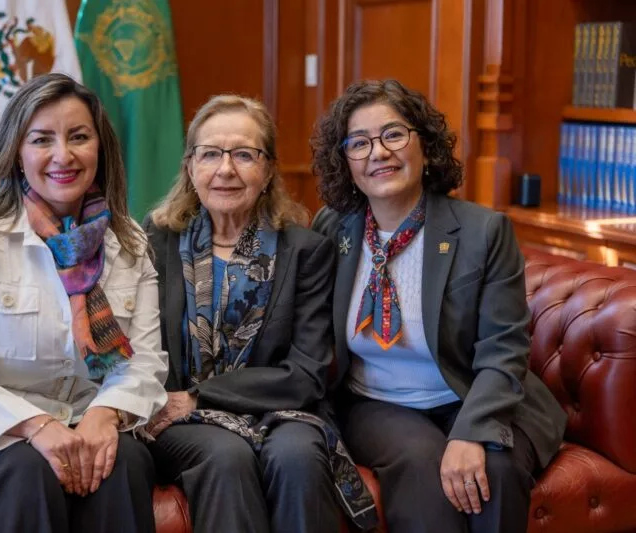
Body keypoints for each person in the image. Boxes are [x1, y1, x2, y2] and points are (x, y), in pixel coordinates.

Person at [0, 73, 167, 533]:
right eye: (42, 139)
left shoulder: (129, 241)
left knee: (124, 461)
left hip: (86, 419)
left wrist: (104, 414)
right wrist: (35, 425)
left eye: (79, 137)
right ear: (17, 151)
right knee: (29, 471)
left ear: (100, 148)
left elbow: (144, 363)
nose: (63, 155)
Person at [310, 79, 567, 533]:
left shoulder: (483, 232)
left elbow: (504, 347)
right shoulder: (332, 229)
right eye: (359, 143)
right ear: (345, 162)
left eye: (393, 135)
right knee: (424, 465)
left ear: (425, 147)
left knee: (495, 471)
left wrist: (472, 431)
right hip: (378, 402)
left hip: (471, 391)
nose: (378, 152)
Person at [143, 95, 376, 533]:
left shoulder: (306, 252)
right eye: (210, 154)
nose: (225, 169)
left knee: (298, 455)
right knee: (225, 453)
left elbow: (305, 373)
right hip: (175, 416)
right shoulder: (157, 240)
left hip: (278, 411)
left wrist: (200, 396)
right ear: (190, 167)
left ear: (268, 170)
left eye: (244, 155)